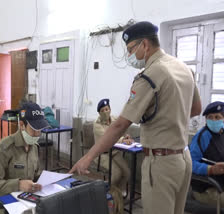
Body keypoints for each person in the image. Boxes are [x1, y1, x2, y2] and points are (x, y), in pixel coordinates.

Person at [70, 21, 202, 214]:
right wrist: (169, 117)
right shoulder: (183, 68)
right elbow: (196, 109)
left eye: (131, 49)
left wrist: (88, 157)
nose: (130, 55)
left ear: (145, 45)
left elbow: (120, 125)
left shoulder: (150, 75)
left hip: (161, 163)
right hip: (183, 158)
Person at [0, 102, 49, 214]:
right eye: (34, 129)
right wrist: (19, 184)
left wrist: (46, 180)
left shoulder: (34, 147)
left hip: (27, 201)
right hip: (6, 203)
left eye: (40, 130)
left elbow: (35, 177)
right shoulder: (4, 147)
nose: (37, 134)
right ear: (21, 125)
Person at [189, 101, 224, 207]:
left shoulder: (222, 133)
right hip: (208, 187)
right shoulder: (202, 136)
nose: (213, 120)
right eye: (210, 117)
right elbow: (190, 163)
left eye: (217, 117)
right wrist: (210, 169)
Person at [94, 98, 131, 196]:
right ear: (99, 113)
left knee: (127, 172)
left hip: (114, 152)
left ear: (110, 109)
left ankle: (119, 191)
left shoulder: (114, 119)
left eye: (107, 109)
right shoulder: (97, 125)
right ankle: (108, 193)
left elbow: (121, 130)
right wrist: (122, 140)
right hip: (102, 154)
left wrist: (126, 136)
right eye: (102, 111)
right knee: (117, 173)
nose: (105, 112)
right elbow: (108, 138)